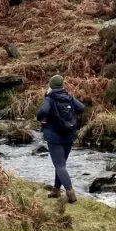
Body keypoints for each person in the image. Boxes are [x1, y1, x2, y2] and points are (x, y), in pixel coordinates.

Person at [36, 75, 86, 203]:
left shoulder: (50, 98)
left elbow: (42, 112)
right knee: (61, 165)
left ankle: (71, 194)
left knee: (59, 165)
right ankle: (56, 190)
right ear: (62, 85)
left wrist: (42, 118)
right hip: (69, 135)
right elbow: (81, 108)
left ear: (51, 86)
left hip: (55, 137)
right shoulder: (68, 97)